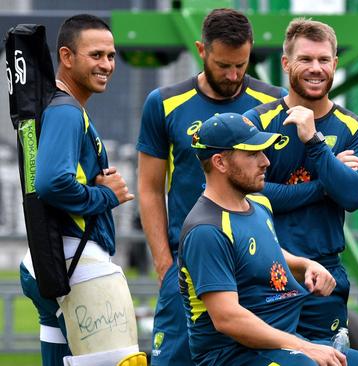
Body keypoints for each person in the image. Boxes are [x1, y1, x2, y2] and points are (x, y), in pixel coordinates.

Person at [178, 112, 358, 366]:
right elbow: (228, 318)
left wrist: (304, 265)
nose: (265, 161)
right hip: (235, 355)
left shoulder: (258, 204)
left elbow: (264, 253)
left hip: (281, 344)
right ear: (220, 162)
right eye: (253, 153)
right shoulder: (207, 230)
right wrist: (305, 347)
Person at [136, 8, 286, 365]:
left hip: (254, 268)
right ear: (201, 51)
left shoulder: (273, 102)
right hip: (186, 269)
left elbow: (281, 178)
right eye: (223, 66)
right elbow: (150, 189)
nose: (234, 75)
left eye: (242, 64)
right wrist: (164, 266)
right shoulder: (164, 103)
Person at [19, 14, 145, 366]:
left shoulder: (58, 108)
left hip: (51, 261)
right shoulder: (66, 112)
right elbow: (51, 182)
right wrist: (108, 195)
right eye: (96, 55)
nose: (107, 64)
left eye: (111, 55)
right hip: (79, 265)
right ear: (67, 57)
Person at [244, 18, 358, 341]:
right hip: (266, 269)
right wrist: (325, 182)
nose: (316, 68)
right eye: (305, 59)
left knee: (327, 358)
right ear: (286, 63)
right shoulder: (256, 122)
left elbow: (354, 196)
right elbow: (251, 195)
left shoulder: (355, 130)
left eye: (323, 60)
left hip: (325, 275)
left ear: (335, 64)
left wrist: (315, 143)